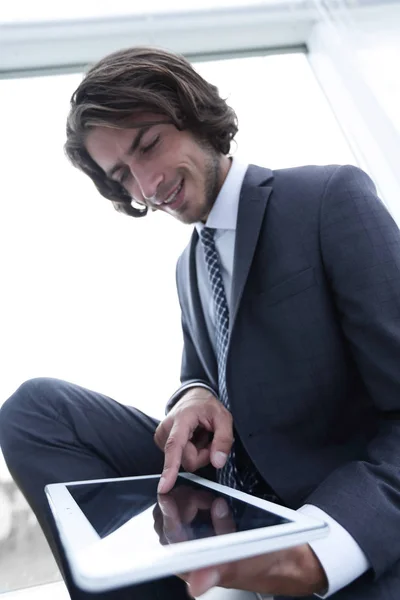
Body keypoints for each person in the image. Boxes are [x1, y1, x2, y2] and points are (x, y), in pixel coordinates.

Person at [1, 46, 400, 600]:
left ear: (192, 113)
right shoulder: (189, 267)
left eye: (148, 144)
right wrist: (191, 393)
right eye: (122, 174)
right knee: (33, 410)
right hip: (226, 496)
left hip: (325, 507)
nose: (145, 185)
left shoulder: (327, 199)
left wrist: (329, 543)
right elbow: (205, 378)